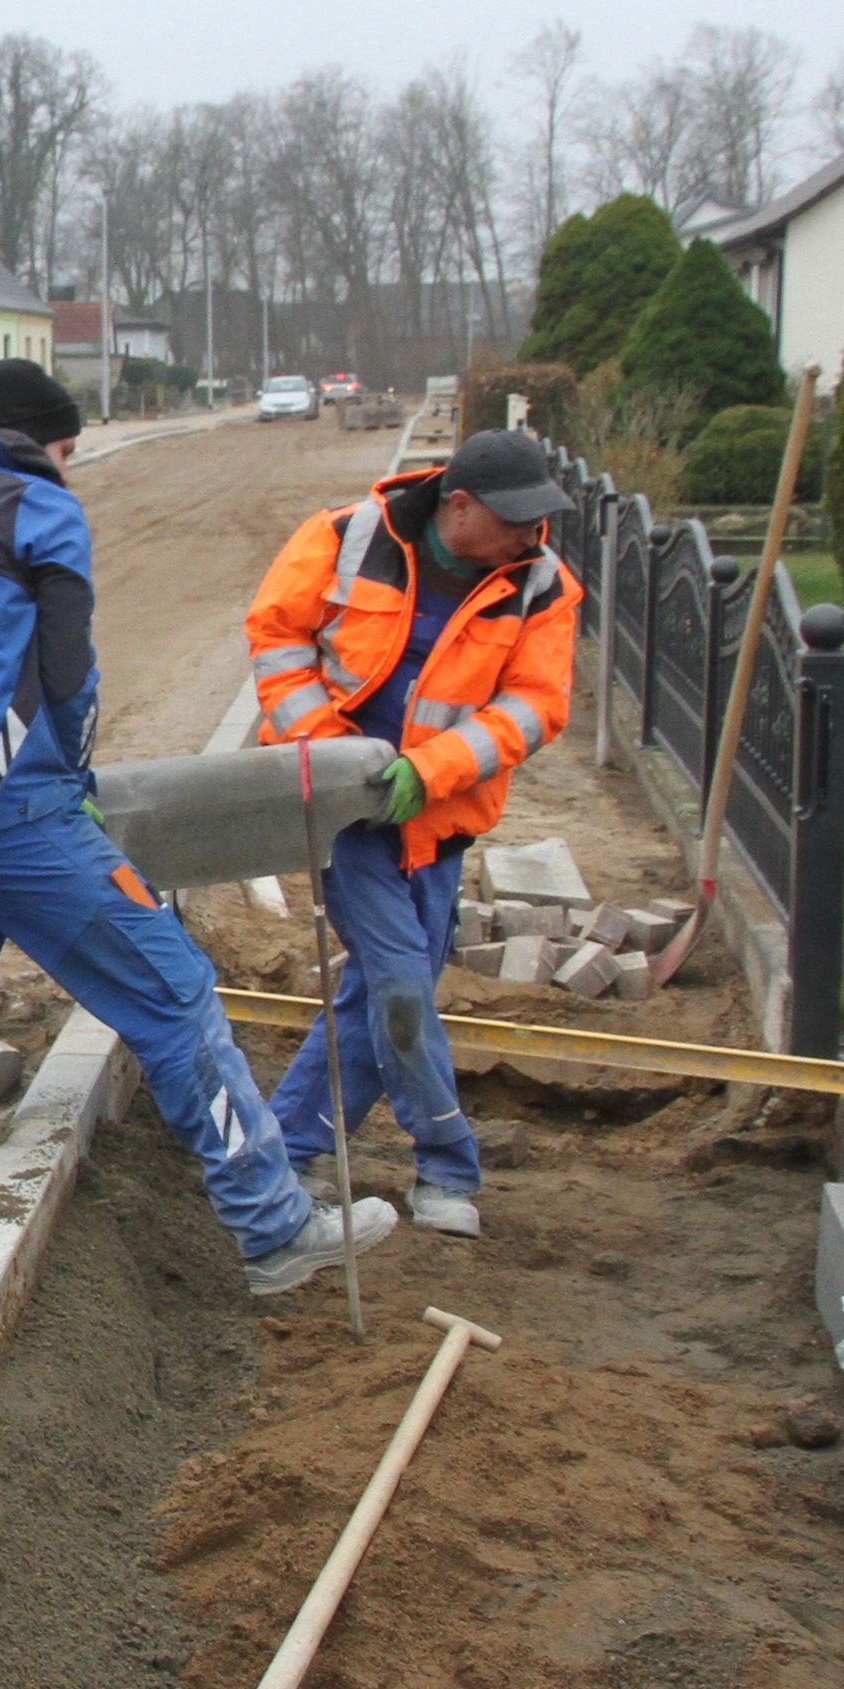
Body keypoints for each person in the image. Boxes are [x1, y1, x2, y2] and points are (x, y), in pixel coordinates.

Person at [0, 359, 393, 1299]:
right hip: (15, 817)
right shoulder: (37, 506)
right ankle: (274, 1228)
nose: (70, 465)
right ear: (40, 440)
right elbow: (67, 671)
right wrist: (66, 785)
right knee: (175, 992)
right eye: (67, 448)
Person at [244, 426, 583, 1238]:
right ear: (457, 507)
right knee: (397, 982)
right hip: (344, 816)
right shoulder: (342, 537)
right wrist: (336, 761)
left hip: (441, 820)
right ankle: (447, 1165)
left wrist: (426, 774)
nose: (531, 536)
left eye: (539, 520)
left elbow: (537, 706)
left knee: (384, 995)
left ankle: (285, 1145)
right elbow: (276, 638)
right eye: (515, 519)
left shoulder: (542, 584)